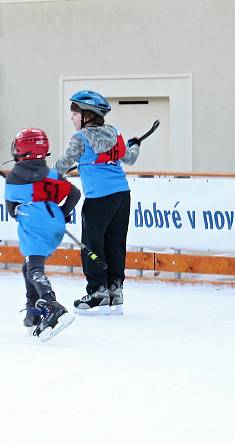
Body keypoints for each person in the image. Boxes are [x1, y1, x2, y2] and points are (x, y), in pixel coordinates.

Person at [54, 90, 141, 315]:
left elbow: (62, 165)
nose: (72, 118)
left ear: (87, 115)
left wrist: (42, 174)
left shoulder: (80, 138)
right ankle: (115, 289)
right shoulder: (114, 133)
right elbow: (129, 158)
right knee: (115, 244)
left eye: (74, 114)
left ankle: (97, 292)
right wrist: (133, 145)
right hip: (122, 195)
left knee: (92, 245)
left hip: (99, 198)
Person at [4, 128, 80, 341]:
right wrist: (62, 213)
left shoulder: (13, 176)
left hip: (34, 228)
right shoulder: (52, 174)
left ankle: (51, 306)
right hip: (55, 228)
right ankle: (33, 311)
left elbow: (12, 210)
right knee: (28, 266)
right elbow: (74, 193)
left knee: (34, 270)